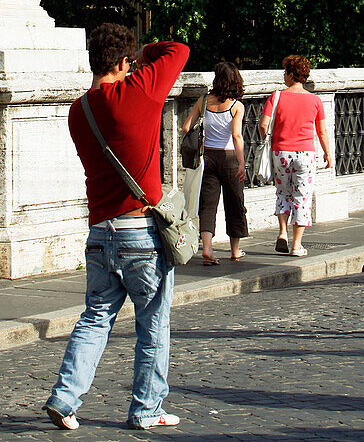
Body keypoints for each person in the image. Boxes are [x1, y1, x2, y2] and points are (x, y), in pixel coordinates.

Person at [43, 23, 189, 431]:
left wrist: (134, 57)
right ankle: (146, 409)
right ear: (125, 63)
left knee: (95, 316)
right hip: (140, 232)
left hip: (99, 233)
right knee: (153, 324)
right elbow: (178, 50)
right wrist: (146, 51)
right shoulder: (139, 90)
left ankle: (64, 397)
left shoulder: (79, 109)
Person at [259, 55, 332, 257]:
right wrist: (327, 152)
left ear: (291, 74)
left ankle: (282, 232)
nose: (284, 76)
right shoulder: (315, 100)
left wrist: (270, 139)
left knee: (282, 192)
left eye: (285, 73)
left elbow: (263, 125)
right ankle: (296, 245)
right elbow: (322, 131)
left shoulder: (277, 97)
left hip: (281, 152)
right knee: (302, 197)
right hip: (306, 154)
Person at [182, 61, 248, 264]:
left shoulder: (203, 101)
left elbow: (186, 127)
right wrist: (241, 163)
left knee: (208, 205)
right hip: (228, 157)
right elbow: (236, 136)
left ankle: (208, 249)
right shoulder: (237, 106)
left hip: (207, 157)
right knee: (234, 202)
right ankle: (235, 250)